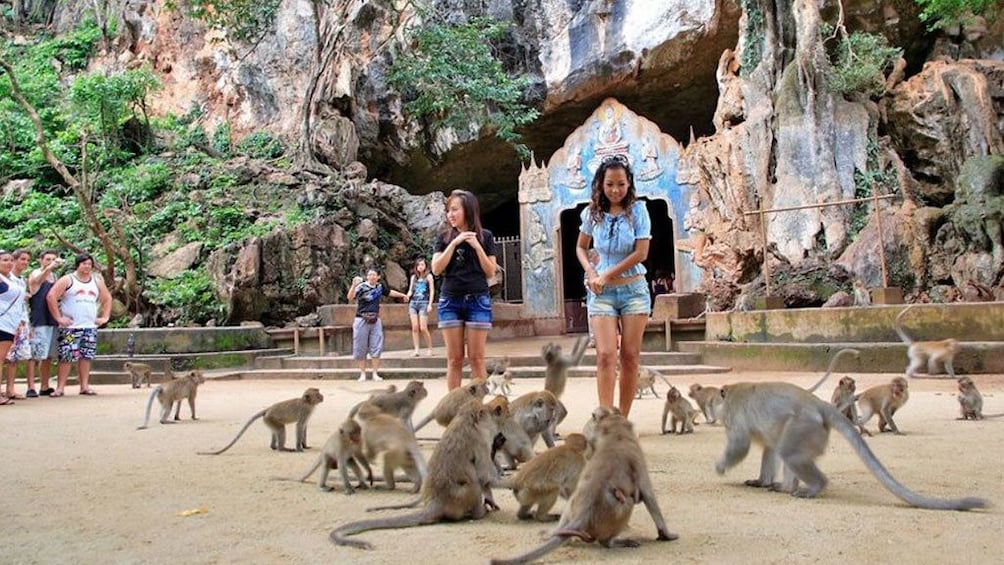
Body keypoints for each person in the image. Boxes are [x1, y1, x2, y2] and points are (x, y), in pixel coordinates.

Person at [576, 155, 652, 417]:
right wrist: (591, 271)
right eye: (610, 184)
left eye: (621, 184)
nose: (615, 190)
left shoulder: (638, 211)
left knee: (630, 357)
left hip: (634, 291)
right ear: (601, 184)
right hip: (601, 294)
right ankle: (605, 418)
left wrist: (607, 275)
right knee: (606, 354)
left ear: (629, 183)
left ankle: (623, 417)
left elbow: (641, 252)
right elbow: (580, 247)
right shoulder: (591, 213)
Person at [431, 189, 498, 390]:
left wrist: (476, 246)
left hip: (477, 300)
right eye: (448, 210)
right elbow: (436, 269)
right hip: (450, 300)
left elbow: (490, 271)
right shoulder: (443, 238)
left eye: (454, 209)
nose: (450, 214)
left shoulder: (485, 236)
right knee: (454, 359)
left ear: (467, 210)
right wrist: (454, 243)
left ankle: (480, 409)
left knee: (477, 359)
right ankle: (454, 409)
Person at [46, 253, 112, 397]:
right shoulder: (68, 280)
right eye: (84, 264)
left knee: (86, 356)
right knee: (67, 356)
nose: (87, 266)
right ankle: (61, 387)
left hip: (89, 326)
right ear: (78, 265)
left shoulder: (96, 281)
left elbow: (106, 298)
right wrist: (58, 317)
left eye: (89, 264)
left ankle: (84, 386)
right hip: (70, 327)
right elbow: (51, 296)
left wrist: (105, 317)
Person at [347, 268, 406, 382]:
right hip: (361, 318)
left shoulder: (379, 287)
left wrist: (402, 295)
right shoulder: (361, 287)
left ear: (378, 277)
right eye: (369, 274)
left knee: (376, 345)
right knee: (360, 346)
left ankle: (375, 373)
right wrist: (353, 286)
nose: (372, 276)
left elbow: (389, 292)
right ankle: (362, 373)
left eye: (374, 274)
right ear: (367, 277)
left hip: (375, 319)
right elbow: (350, 297)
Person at [28, 249, 63, 397]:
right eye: (47, 259)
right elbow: (36, 282)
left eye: (53, 259)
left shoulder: (54, 277)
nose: (51, 262)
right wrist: (49, 268)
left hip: (52, 319)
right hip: (39, 319)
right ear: (41, 260)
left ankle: (44, 385)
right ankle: (30, 386)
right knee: (34, 355)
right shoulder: (36, 273)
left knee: (48, 355)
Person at [0, 250, 27, 405]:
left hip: (10, 324)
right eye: (4, 260)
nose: (9, 263)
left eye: (11, 260)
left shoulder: (12, 280)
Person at [405, 257, 435, 357]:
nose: (420, 267)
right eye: (418, 265)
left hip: (424, 302)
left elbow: (431, 291)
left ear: (425, 266)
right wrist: (408, 295)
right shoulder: (414, 277)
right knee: (415, 327)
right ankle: (416, 349)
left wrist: (430, 304)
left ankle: (430, 348)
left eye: (422, 264)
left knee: (423, 327)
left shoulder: (429, 276)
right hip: (413, 303)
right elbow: (410, 290)